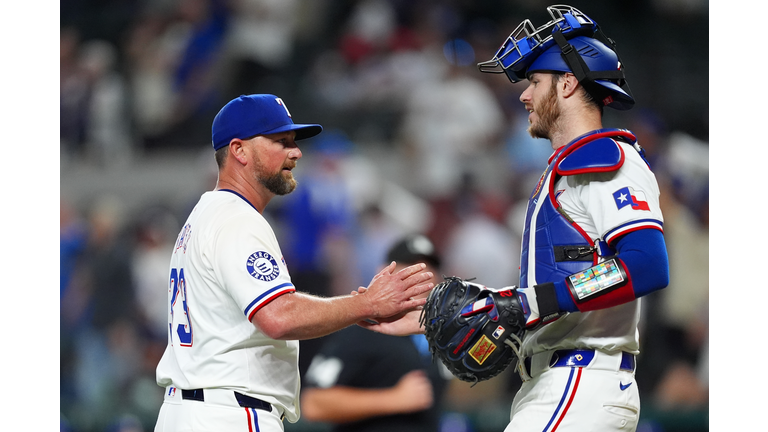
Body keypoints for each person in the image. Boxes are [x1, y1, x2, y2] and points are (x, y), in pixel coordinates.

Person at [153, 94, 434, 432]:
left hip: (193, 410)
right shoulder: (237, 220)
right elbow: (278, 316)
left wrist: (362, 308)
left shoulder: (206, 215)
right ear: (239, 150)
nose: (296, 152)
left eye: (293, 142)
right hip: (229, 412)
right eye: (280, 141)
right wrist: (367, 302)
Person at [475, 5, 670, 431]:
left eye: (534, 81)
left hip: (581, 378)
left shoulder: (605, 158)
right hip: (556, 382)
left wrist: (535, 302)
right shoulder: (563, 167)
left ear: (566, 84)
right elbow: (564, 275)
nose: (525, 95)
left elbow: (645, 264)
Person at [300, 234, 451, 432]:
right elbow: (314, 403)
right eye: (410, 267)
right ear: (383, 273)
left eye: (429, 268)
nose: (422, 275)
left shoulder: (442, 334)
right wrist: (393, 399)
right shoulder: (364, 329)